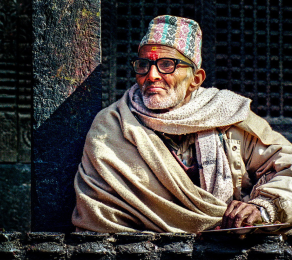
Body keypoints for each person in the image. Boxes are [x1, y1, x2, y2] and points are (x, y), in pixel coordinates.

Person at [72, 15, 292, 233]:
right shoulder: (111, 126)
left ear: (196, 79)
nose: (152, 75)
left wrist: (261, 208)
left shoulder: (228, 116)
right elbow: (98, 213)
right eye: (144, 65)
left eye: (167, 64)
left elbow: (287, 167)